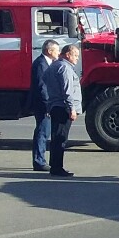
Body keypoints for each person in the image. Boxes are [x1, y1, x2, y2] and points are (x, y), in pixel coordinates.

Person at [42, 43, 82, 178]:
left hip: (55, 105)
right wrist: (72, 108)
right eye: (75, 55)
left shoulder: (54, 65)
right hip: (63, 107)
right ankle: (57, 168)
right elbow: (67, 91)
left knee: (56, 137)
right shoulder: (65, 68)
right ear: (67, 54)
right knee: (60, 138)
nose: (77, 58)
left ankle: (55, 166)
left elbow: (45, 79)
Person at [27, 39, 59, 171]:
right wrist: (48, 104)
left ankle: (40, 159)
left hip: (45, 103)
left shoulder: (47, 63)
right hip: (42, 104)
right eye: (57, 50)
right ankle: (39, 161)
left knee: (45, 131)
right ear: (49, 50)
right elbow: (42, 87)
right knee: (42, 131)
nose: (59, 53)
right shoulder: (41, 64)